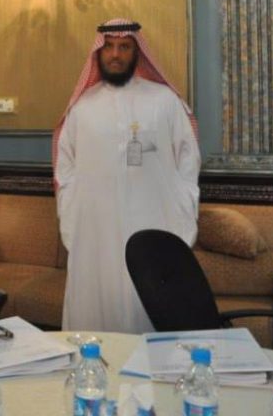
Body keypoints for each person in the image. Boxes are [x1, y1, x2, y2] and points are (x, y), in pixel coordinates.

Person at [53, 18, 200, 334]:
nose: (115, 54)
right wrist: (73, 211)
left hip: (150, 221)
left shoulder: (164, 101)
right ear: (98, 52)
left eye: (124, 47)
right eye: (108, 47)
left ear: (137, 52)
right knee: (96, 305)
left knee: (145, 301)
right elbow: (65, 167)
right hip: (96, 231)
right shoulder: (82, 108)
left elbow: (188, 159)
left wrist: (180, 203)